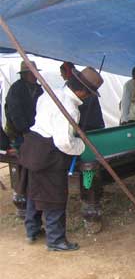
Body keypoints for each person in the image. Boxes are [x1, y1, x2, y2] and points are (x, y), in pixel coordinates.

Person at [18, 67, 104, 251]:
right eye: (89, 94)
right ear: (82, 91)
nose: (88, 98)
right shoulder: (70, 109)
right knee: (54, 197)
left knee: (35, 191)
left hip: (33, 145)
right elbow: (64, 143)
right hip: (48, 154)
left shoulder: (51, 92)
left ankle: (32, 231)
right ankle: (56, 240)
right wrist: (81, 146)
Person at [4, 60, 43, 146]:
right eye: (32, 73)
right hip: (17, 134)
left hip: (34, 132)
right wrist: (25, 131)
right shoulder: (16, 89)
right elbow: (15, 113)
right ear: (24, 75)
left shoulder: (38, 90)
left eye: (35, 73)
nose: (35, 75)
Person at [61, 62, 105, 131]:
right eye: (89, 93)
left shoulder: (58, 94)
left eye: (62, 72)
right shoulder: (72, 109)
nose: (61, 75)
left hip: (91, 127)